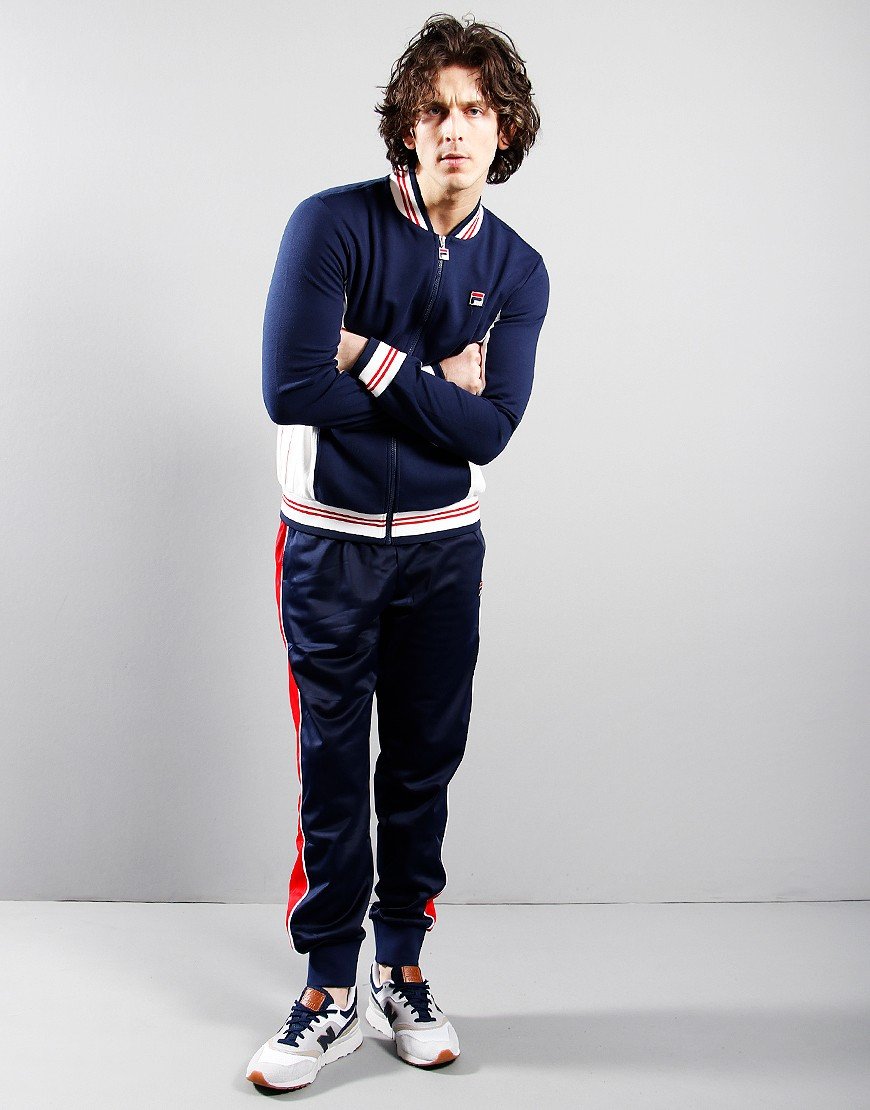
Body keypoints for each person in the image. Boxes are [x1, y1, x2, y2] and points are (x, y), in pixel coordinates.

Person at [246, 12, 549, 1092]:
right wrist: (431, 380)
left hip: (442, 554)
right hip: (327, 547)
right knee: (331, 766)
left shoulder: (519, 269)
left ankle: (401, 971)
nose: (454, 129)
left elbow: (490, 432)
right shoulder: (330, 225)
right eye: (434, 110)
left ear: (504, 129)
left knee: (422, 764)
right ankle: (328, 988)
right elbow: (289, 386)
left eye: (475, 110)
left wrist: (365, 359)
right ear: (406, 128)